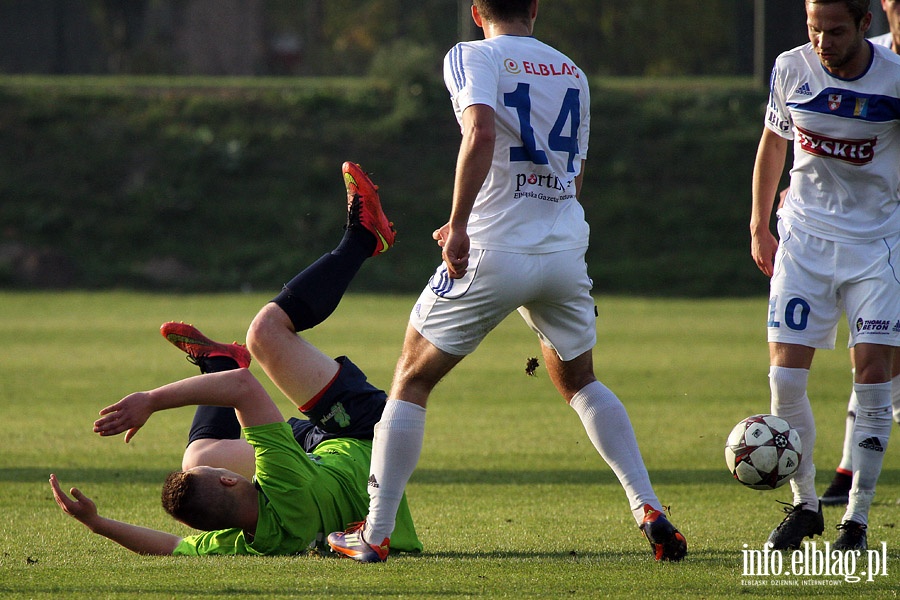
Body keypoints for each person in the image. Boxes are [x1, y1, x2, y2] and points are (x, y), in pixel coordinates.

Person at [327, 0, 687, 563]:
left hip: (493, 250)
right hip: (563, 248)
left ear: (476, 10)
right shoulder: (571, 71)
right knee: (581, 382)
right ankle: (648, 506)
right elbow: (573, 171)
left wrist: (463, 225)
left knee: (411, 378)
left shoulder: (470, 53)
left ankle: (374, 533)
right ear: (536, 7)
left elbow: (481, 130)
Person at [49, 162, 423, 557]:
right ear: (230, 481)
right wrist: (151, 400)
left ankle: (222, 361)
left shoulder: (257, 540)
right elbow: (242, 390)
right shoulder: (280, 476)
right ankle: (362, 239)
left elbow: (173, 544)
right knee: (265, 333)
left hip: (321, 463)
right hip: (363, 435)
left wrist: (98, 523)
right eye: (223, 475)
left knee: (197, 457)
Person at [750, 0, 900, 551]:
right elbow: (773, 143)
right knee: (784, 380)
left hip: (877, 247)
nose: (823, 42)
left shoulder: (895, 80)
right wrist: (758, 225)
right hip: (804, 242)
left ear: (866, 25)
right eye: (814, 29)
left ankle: (856, 519)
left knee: (874, 375)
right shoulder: (791, 67)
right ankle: (805, 505)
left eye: (835, 30)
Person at [818, 0, 900, 507]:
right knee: (874, 356)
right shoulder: (870, 58)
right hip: (876, 235)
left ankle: (850, 477)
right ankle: (849, 474)